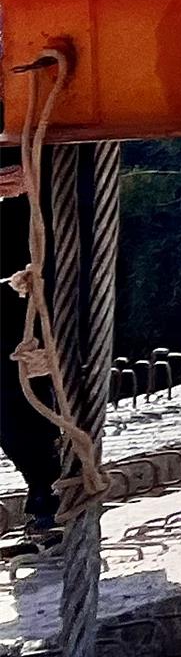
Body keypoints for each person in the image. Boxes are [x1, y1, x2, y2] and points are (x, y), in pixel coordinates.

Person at [0, 156, 59, 542]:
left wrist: (41, 174)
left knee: (41, 388)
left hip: (40, 262)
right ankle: (43, 488)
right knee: (8, 406)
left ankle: (52, 493)